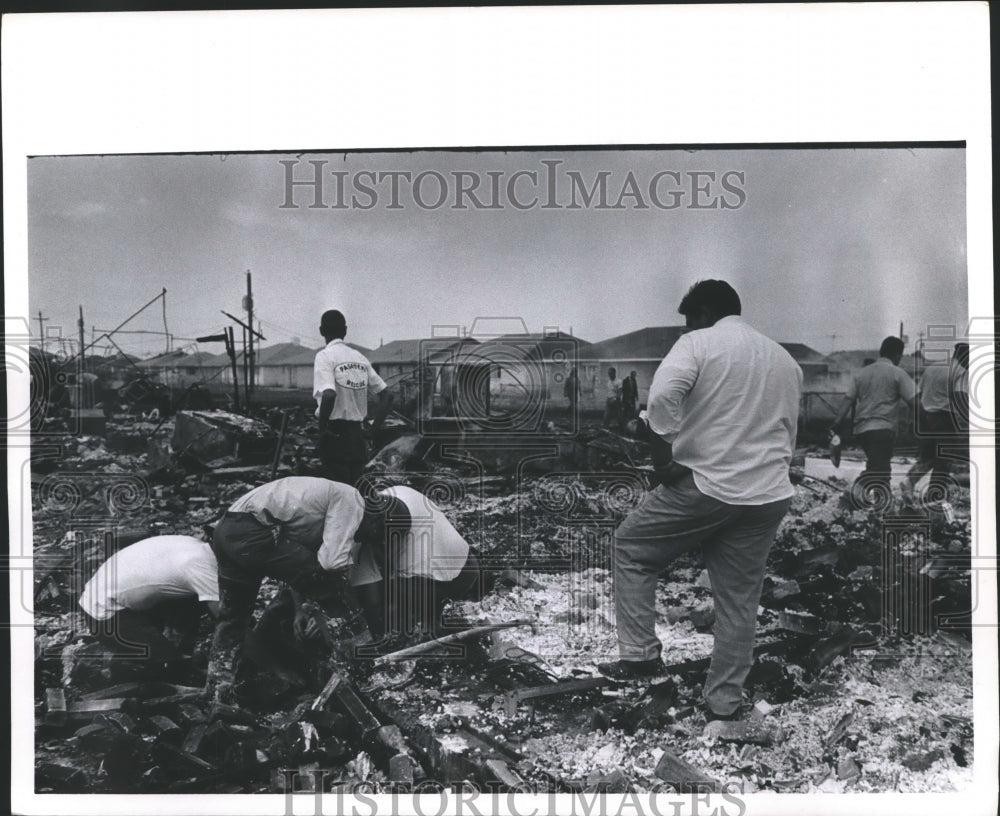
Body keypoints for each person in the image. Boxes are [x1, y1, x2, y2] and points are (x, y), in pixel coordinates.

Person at [597, 280, 802, 725]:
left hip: (708, 486)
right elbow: (787, 430)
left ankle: (640, 658)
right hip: (767, 494)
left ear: (705, 312)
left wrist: (662, 460)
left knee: (632, 548)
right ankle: (724, 703)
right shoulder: (784, 359)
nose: (685, 327)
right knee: (739, 602)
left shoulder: (698, 343)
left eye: (689, 318)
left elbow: (663, 397)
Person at [205, 476, 388, 702]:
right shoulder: (351, 499)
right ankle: (361, 666)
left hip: (226, 530)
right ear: (373, 519)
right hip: (253, 529)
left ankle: (217, 691)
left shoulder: (316, 514)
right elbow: (330, 566)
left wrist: (307, 609)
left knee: (233, 617)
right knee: (331, 586)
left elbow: (294, 569)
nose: (358, 539)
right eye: (368, 534)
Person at [350, 484, 490, 647]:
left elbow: (372, 603)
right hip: (468, 563)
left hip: (448, 581)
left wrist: (373, 638)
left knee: (395, 619)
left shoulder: (411, 561)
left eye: (385, 542)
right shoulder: (401, 492)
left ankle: (432, 626)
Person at [79, 535, 220, 673]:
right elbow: (225, 617)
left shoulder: (195, 545)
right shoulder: (200, 566)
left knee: (193, 596)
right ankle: (123, 666)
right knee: (172, 668)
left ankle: (173, 642)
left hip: (115, 595)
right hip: (104, 614)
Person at [313, 309, 393, 487]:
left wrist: (322, 429)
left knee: (337, 494)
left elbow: (329, 394)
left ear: (321, 331)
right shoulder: (360, 358)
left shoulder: (325, 356)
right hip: (357, 437)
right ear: (345, 330)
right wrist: (374, 429)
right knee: (355, 493)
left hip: (335, 434)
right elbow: (387, 395)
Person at [832, 336, 916, 504]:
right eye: (900, 355)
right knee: (878, 469)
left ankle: (881, 505)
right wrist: (924, 422)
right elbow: (914, 401)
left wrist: (836, 424)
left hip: (862, 431)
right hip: (883, 429)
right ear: (897, 354)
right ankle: (850, 496)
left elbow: (848, 400)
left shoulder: (862, 373)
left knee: (882, 468)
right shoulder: (897, 373)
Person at [902, 342, 970, 498]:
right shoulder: (960, 371)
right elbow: (961, 397)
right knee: (943, 459)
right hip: (944, 418)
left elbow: (917, 394)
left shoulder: (932, 368)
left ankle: (910, 481)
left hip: (925, 418)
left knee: (929, 456)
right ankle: (935, 495)